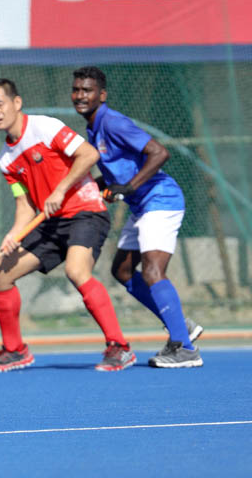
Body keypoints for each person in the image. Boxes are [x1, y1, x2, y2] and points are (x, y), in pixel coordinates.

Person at [0, 78, 135, 373]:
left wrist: (61, 189)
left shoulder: (44, 127)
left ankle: (119, 347)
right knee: (0, 275)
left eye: (0, 104)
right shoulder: (6, 159)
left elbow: (89, 154)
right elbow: (25, 207)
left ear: (16, 103)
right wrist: (13, 235)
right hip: (50, 222)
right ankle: (15, 351)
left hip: (85, 211)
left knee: (77, 271)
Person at [71, 66, 203, 368]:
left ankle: (185, 348)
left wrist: (127, 188)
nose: (80, 95)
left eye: (87, 90)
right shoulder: (93, 127)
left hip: (160, 200)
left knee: (152, 271)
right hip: (141, 205)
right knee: (123, 271)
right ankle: (181, 324)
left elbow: (159, 152)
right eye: (76, 89)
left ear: (101, 95)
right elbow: (114, 173)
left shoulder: (113, 122)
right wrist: (85, 188)